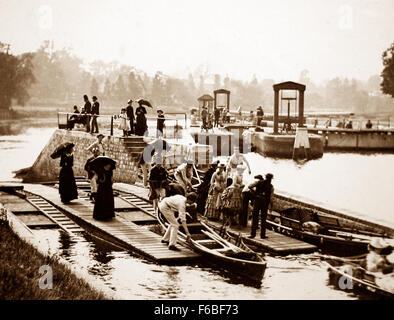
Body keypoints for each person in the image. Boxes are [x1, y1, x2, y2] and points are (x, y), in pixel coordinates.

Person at [248, 173, 274, 239]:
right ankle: (262, 235)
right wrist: (271, 206)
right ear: (271, 179)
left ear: (265, 177)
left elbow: (249, 186)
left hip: (257, 201)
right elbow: (271, 198)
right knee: (263, 219)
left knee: (255, 218)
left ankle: (252, 235)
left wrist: (254, 193)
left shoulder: (259, 182)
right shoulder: (271, 187)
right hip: (265, 203)